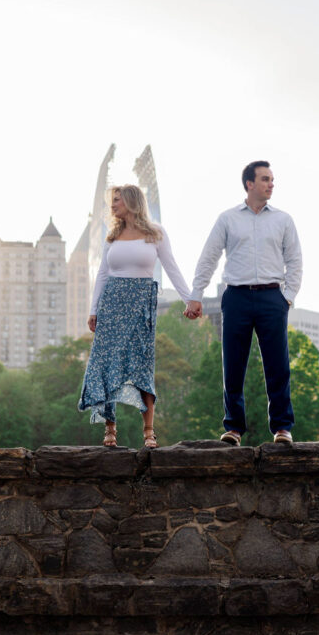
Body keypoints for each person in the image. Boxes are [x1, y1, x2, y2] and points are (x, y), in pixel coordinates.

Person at [185, 161, 302, 446]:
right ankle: (234, 428)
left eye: (272, 179)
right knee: (233, 364)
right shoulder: (227, 219)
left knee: (278, 364)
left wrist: (287, 298)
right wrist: (196, 294)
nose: (271, 184)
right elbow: (209, 257)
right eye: (265, 179)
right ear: (249, 183)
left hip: (272, 297)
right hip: (236, 296)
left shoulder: (283, 220)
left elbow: (295, 261)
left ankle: (282, 428)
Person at [78, 184, 192, 448]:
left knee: (141, 364)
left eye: (117, 200)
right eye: (112, 201)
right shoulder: (112, 237)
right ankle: (110, 430)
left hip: (141, 304)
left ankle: (149, 432)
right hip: (112, 304)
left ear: (131, 201)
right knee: (107, 364)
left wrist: (190, 299)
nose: (113, 205)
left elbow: (171, 267)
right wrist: (94, 310)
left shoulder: (155, 233)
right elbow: (103, 275)